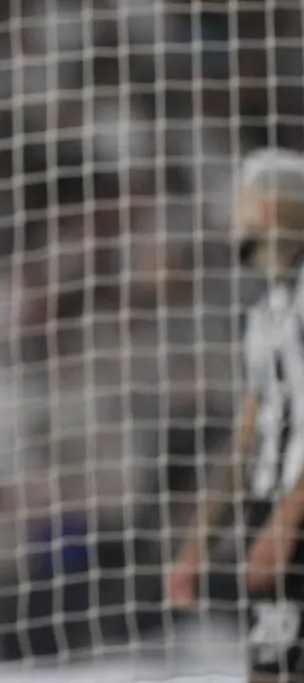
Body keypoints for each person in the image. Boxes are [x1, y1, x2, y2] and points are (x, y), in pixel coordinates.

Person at [167, 148, 304, 682]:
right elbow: (246, 442)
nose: (232, 218)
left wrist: (285, 525)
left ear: (266, 211)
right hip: (274, 514)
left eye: (241, 203)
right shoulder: (264, 315)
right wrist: (196, 548)